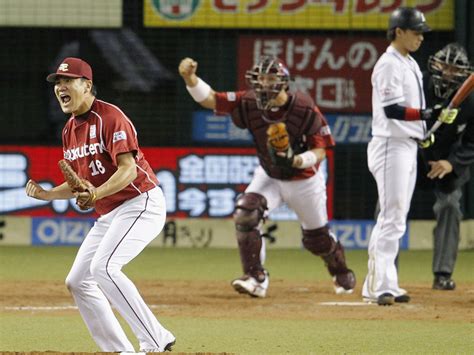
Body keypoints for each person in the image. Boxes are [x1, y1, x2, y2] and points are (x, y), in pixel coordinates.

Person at [25, 57, 175, 352]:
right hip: (110, 214)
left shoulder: (110, 116)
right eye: (57, 83)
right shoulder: (69, 129)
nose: (60, 88)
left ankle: (156, 340)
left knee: (104, 267)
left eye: (67, 81)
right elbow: (80, 181)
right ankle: (119, 349)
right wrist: (48, 195)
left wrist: (95, 194)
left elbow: (128, 169)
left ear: (87, 85)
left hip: (140, 203)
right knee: (78, 280)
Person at [178, 55, 356, 298]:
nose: (263, 84)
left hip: (304, 179)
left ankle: (340, 269)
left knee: (317, 240)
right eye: (260, 79)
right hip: (270, 174)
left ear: (284, 82)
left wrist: (297, 160)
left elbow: (321, 150)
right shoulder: (249, 102)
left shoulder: (303, 107)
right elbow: (212, 100)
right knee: (246, 214)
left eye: (270, 78)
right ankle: (255, 278)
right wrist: (190, 78)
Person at [362, 7, 459, 306]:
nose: (420, 37)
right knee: (391, 217)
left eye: (421, 32)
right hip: (390, 144)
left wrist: (423, 131)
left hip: (405, 144)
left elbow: (408, 114)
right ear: (398, 32)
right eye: (416, 31)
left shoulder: (410, 62)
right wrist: (428, 114)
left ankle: (378, 283)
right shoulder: (389, 64)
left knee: (395, 218)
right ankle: (380, 286)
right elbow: (392, 110)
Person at [419, 43, 473, 290]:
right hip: (414, 157)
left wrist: (451, 163)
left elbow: (472, 141)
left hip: (448, 162)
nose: (448, 73)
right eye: (444, 67)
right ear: (435, 65)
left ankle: (442, 274)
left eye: (455, 69)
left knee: (450, 204)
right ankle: (385, 274)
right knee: (388, 205)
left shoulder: (470, 99)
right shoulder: (418, 86)